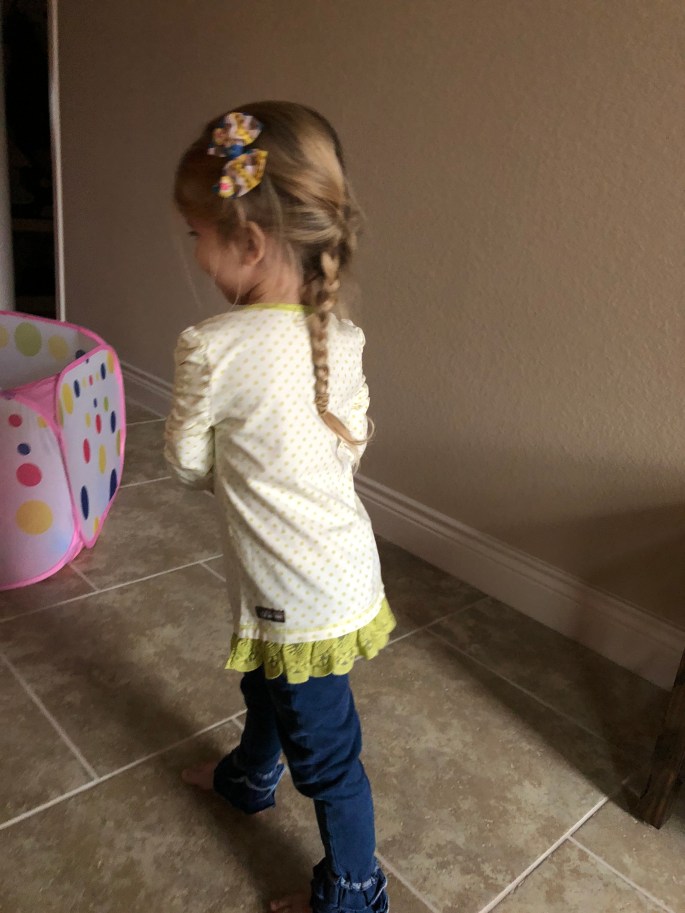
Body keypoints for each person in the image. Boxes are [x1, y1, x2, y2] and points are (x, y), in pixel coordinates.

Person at [165, 102, 395, 913]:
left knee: (327, 756)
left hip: (296, 597)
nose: (196, 252)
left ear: (251, 243)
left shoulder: (211, 346)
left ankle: (355, 893)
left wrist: (236, 472)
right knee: (267, 685)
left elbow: (186, 462)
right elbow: (351, 440)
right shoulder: (343, 337)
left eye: (197, 233)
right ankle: (248, 776)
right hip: (340, 571)